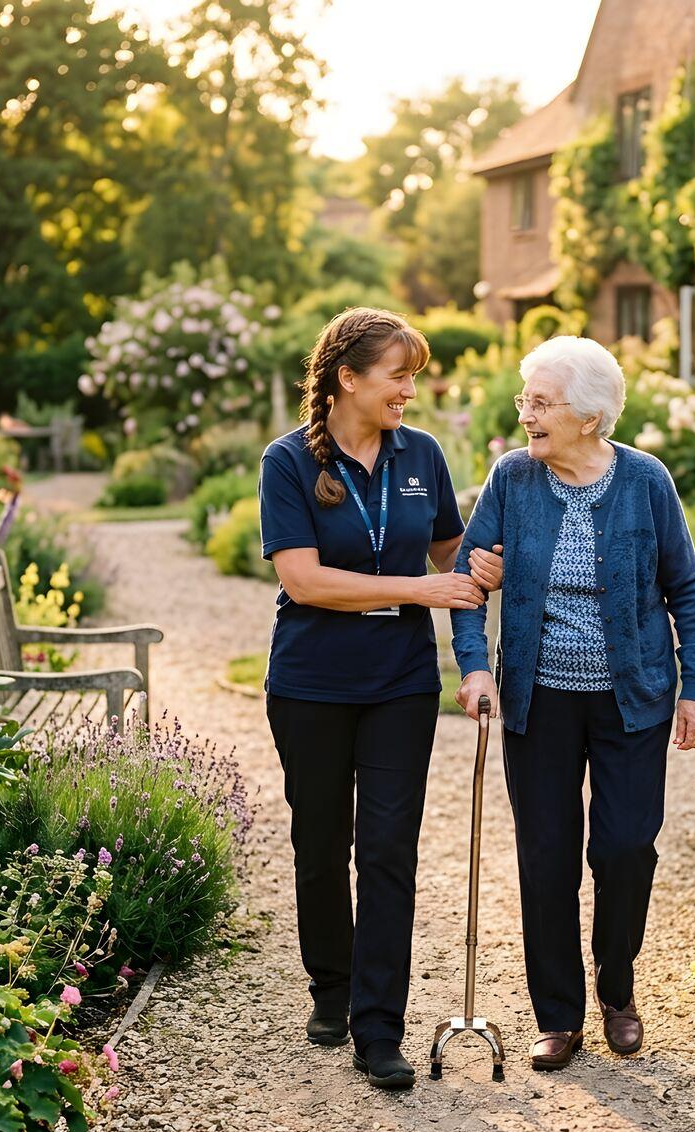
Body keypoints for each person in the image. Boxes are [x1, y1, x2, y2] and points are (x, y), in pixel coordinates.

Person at [451, 335, 695, 1072]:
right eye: (523, 400)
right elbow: (469, 582)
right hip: (541, 699)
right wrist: (474, 667)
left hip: (633, 700)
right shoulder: (511, 479)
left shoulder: (646, 481)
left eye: (540, 402)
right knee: (547, 856)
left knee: (626, 848)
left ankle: (617, 988)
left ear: (590, 417)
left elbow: (685, 589)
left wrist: (694, 686)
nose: (525, 414)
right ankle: (558, 1014)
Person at [259, 307, 504, 1091]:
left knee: (390, 851)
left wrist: (480, 566)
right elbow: (302, 579)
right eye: (398, 375)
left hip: (400, 686)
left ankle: (379, 1029)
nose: (409, 389)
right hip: (312, 686)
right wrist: (420, 587)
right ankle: (329, 990)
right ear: (348, 377)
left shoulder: (422, 454)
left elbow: (448, 551)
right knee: (321, 848)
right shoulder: (287, 462)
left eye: (413, 376)